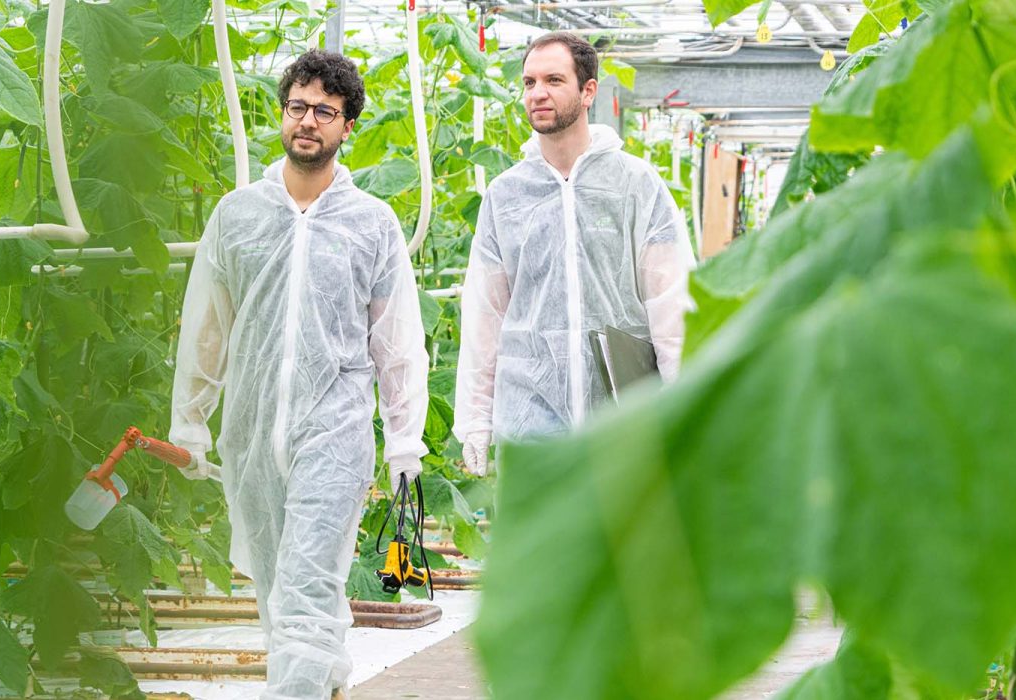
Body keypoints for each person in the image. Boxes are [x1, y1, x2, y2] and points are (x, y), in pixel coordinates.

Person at [168, 50, 429, 700]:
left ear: (346, 127)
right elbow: (207, 327)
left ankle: (299, 690)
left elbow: (396, 342)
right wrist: (190, 421)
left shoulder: (372, 224)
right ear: (283, 114)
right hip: (251, 433)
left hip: (334, 430)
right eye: (297, 107)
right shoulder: (237, 216)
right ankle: (325, 674)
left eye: (324, 111)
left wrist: (405, 438)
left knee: (308, 576)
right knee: (276, 586)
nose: (307, 121)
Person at [454, 32, 697, 476]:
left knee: (623, 543)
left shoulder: (635, 185)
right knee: (540, 544)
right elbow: (485, 314)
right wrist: (474, 419)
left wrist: (682, 404)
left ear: (588, 91)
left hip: (624, 412)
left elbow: (671, 301)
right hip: (530, 417)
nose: (537, 93)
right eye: (529, 83)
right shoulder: (506, 196)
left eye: (553, 80)